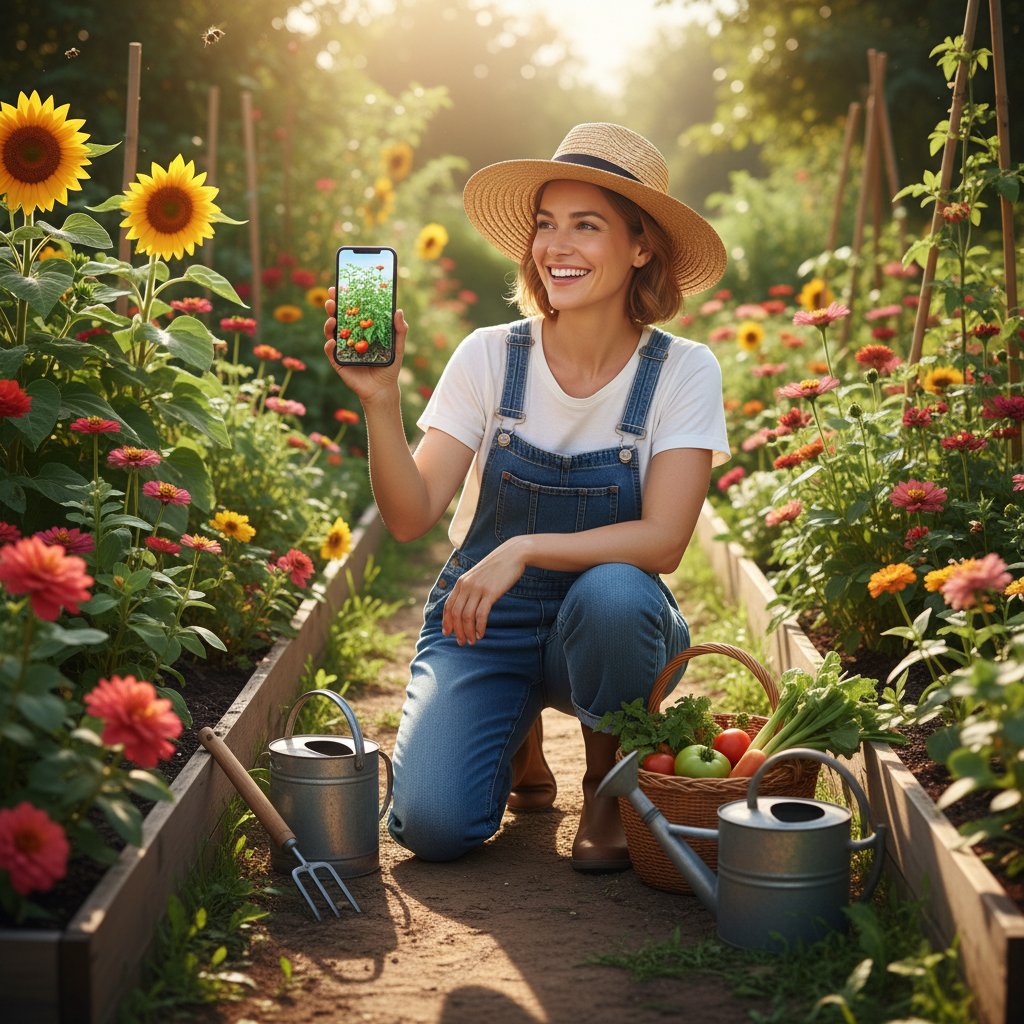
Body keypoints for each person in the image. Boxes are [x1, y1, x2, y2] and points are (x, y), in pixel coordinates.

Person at [323, 123, 730, 872]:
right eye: (546, 225)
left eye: (586, 225)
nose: (556, 246)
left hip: (608, 629)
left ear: (641, 246)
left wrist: (524, 545)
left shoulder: (681, 371)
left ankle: (607, 788)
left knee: (615, 595)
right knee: (434, 829)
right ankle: (517, 740)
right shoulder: (489, 355)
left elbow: (666, 540)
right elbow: (412, 517)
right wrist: (379, 401)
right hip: (486, 621)